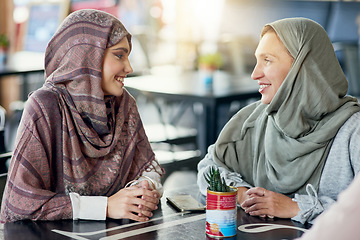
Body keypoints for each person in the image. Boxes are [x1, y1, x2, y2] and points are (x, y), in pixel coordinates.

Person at [0, 9, 164, 223]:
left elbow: (148, 168)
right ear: (89, 55)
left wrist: (143, 188)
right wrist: (106, 207)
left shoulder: (124, 104)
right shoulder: (45, 107)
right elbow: (19, 203)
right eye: (119, 55)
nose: (129, 67)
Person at [197, 17, 360, 224]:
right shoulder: (253, 119)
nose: (255, 74)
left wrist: (295, 207)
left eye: (267, 60)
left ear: (303, 67)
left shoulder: (353, 130)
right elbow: (209, 167)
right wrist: (242, 194)